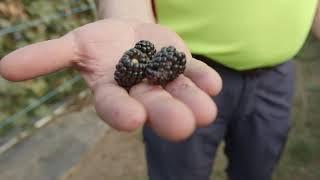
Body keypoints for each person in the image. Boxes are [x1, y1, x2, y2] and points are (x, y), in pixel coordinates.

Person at [1, 0, 320, 180]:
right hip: (191, 70)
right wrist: (126, 12)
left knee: (257, 169)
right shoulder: (156, 64)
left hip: (277, 75)